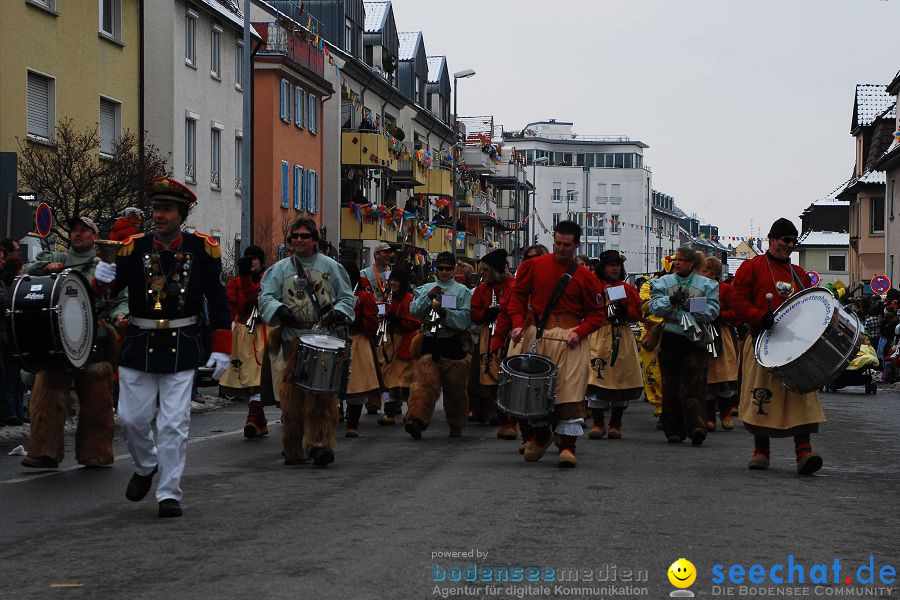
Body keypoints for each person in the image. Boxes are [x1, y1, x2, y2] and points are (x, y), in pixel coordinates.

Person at [93, 178, 232, 517]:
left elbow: (218, 300)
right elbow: (105, 295)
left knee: (173, 424)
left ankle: (169, 492)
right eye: (155, 209)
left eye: (166, 209)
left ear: (181, 214)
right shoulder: (132, 247)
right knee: (129, 420)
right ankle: (145, 465)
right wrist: (103, 275)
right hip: (139, 344)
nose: (158, 215)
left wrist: (221, 347)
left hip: (181, 344)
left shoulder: (203, 249)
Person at [20, 216, 128, 467]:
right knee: (47, 396)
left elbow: (119, 298)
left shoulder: (104, 266)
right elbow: (25, 271)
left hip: (95, 339)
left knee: (97, 399)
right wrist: (44, 269)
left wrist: (119, 316)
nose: (78, 234)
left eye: (84, 231)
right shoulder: (55, 257)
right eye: (74, 231)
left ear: (93, 236)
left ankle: (96, 452)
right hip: (57, 340)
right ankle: (43, 452)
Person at [731, 218, 826, 475]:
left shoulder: (800, 274)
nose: (790, 245)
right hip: (763, 342)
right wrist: (758, 316)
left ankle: (804, 452)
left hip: (795, 347)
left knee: (801, 396)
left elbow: (811, 307)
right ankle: (761, 452)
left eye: (794, 241)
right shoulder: (751, 267)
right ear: (772, 240)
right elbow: (737, 299)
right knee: (762, 394)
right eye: (786, 240)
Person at [258, 217, 355, 466]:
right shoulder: (279, 269)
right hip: (293, 340)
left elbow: (347, 296)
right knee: (292, 400)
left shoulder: (331, 267)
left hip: (324, 339)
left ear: (314, 240)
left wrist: (339, 312)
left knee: (322, 398)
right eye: (295, 236)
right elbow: (265, 296)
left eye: (304, 236)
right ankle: (293, 447)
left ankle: (320, 444)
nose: (299, 240)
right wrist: (278, 309)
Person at [507, 221, 605, 468]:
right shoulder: (533, 266)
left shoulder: (586, 276)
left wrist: (580, 332)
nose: (561, 248)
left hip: (571, 339)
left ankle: (568, 448)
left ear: (577, 245)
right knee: (533, 391)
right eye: (558, 243)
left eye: (567, 245)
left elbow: (597, 313)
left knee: (570, 392)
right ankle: (541, 435)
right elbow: (517, 297)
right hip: (538, 336)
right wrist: (518, 324)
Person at [648, 247, 720, 446]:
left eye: (681, 260)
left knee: (694, 383)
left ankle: (697, 425)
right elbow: (654, 307)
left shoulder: (707, 284)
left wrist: (692, 306)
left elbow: (713, 310)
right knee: (670, 385)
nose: (677, 263)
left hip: (695, 340)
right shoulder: (663, 282)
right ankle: (674, 430)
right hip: (671, 337)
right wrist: (671, 300)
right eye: (676, 260)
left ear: (692, 263)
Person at [404, 251, 473, 439]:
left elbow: (465, 320)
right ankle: (416, 419)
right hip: (429, 340)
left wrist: (445, 313)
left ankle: (457, 424)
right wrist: (428, 297)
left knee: (455, 390)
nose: (444, 272)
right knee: (423, 385)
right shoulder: (425, 288)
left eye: (448, 269)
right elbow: (414, 311)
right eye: (440, 268)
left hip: (452, 342)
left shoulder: (462, 292)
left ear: (453, 270)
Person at [585, 250, 643, 440]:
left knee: (620, 377)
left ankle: (615, 424)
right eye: (611, 265)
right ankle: (598, 424)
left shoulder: (627, 289)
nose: (615, 269)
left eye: (617, 265)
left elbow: (638, 312)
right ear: (603, 267)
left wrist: (625, 310)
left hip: (620, 335)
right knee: (596, 376)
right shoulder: (593, 287)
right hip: (598, 335)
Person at [219, 245, 270, 438]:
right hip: (243, 332)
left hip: (263, 330)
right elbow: (231, 307)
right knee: (247, 376)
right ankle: (261, 422)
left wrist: (247, 279)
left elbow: (257, 297)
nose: (252, 262)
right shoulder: (235, 283)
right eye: (248, 258)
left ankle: (252, 418)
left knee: (258, 376)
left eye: (255, 258)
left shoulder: (268, 278)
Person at [469, 249, 514, 436]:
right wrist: (486, 314)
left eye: (486, 270)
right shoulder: (482, 289)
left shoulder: (512, 285)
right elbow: (475, 313)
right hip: (489, 333)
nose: (483, 274)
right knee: (485, 369)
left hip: (509, 333)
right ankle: (487, 409)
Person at [699, 256, 740, 431]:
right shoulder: (698, 289)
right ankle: (709, 417)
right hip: (702, 334)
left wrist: (721, 316)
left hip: (721, 334)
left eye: (704, 271)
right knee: (706, 377)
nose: (701, 274)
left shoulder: (724, 289)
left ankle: (725, 414)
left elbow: (736, 312)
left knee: (723, 375)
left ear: (714, 274)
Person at [341, 262, 381, 437]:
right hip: (337, 338)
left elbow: (373, 322)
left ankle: (353, 423)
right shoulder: (335, 294)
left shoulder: (364, 296)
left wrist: (359, 322)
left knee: (356, 383)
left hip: (357, 340)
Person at [378, 269, 420, 425]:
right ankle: (388, 412)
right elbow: (380, 315)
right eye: (391, 280)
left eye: (395, 280)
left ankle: (412, 412)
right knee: (387, 380)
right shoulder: (387, 297)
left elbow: (413, 322)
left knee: (406, 380)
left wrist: (397, 320)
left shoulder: (409, 298)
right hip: (388, 342)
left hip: (404, 341)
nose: (392, 283)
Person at [638, 256, 675, 431]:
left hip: (681, 332)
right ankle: (661, 409)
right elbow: (646, 305)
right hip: (654, 332)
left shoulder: (695, 284)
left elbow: (701, 307)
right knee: (654, 372)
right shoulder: (651, 285)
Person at [361, 241, 394, 415]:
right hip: (372, 321)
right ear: (377, 254)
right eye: (386, 252)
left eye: (390, 253)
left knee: (388, 361)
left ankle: (391, 399)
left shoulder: (393, 274)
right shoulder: (365, 274)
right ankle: (373, 399)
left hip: (389, 322)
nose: (389, 255)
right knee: (372, 361)